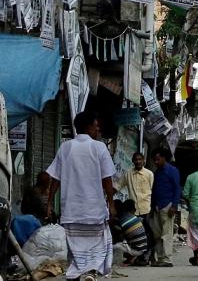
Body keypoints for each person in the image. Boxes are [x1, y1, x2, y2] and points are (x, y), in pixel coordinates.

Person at [46, 111, 117, 280]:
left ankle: (78, 272)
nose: (98, 129)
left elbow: (55, 178)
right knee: (97, 244)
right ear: (88, 127)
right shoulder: (99, 147)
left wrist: (49, 203)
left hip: (71, 211)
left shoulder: (66, 147)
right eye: (96, 125)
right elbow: (107, 179)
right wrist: (111, 203)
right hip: (94, 210)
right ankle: (90, 271)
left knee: (76, 247)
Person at [149, 147, 180, 267]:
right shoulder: (157, 172)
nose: (156, 162)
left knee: (166, 234)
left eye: (158, 159)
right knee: (157, 234)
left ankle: (167, 259)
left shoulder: (172, 171)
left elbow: (177, 188)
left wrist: (174, 205)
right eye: (154, 160)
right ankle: (161, 257)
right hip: (157, 206)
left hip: (167, 206)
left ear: (163, 158)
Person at [113, 200, 149, 266]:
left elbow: (120, 238)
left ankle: (116, 262)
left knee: (113, 246)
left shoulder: (121, 221)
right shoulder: (130, 217)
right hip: (143, 249)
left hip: (137, 251)